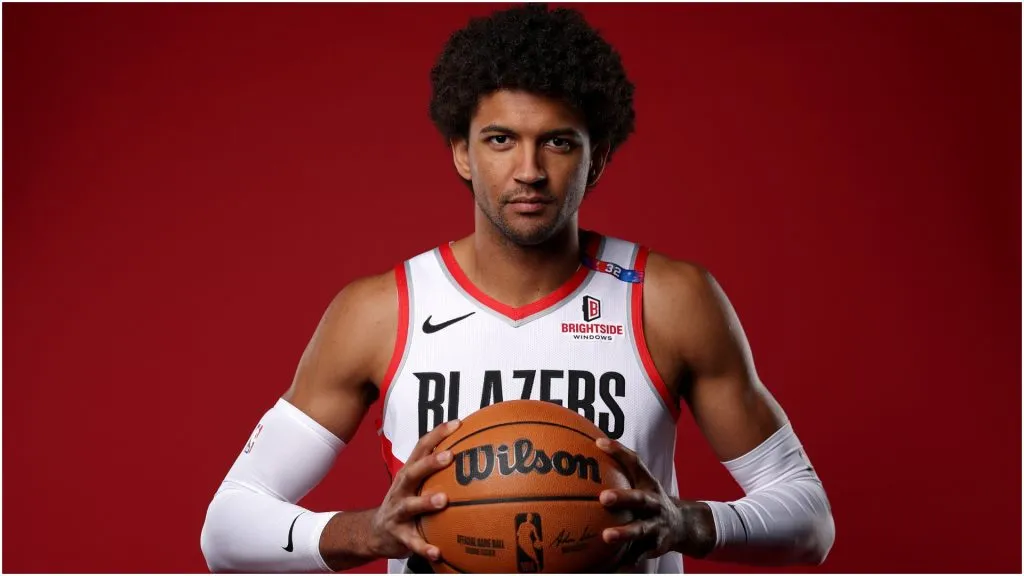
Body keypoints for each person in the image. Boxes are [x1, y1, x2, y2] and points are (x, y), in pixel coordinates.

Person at [200, 4, 835, 573]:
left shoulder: (667, 299)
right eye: (500, 140)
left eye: (558, 143)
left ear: (599, 156)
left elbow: (811, 520)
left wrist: (686, 522)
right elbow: (225, 529)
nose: (529, 172)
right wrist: (368, 533)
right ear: (462, 153)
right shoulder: (381, 311)